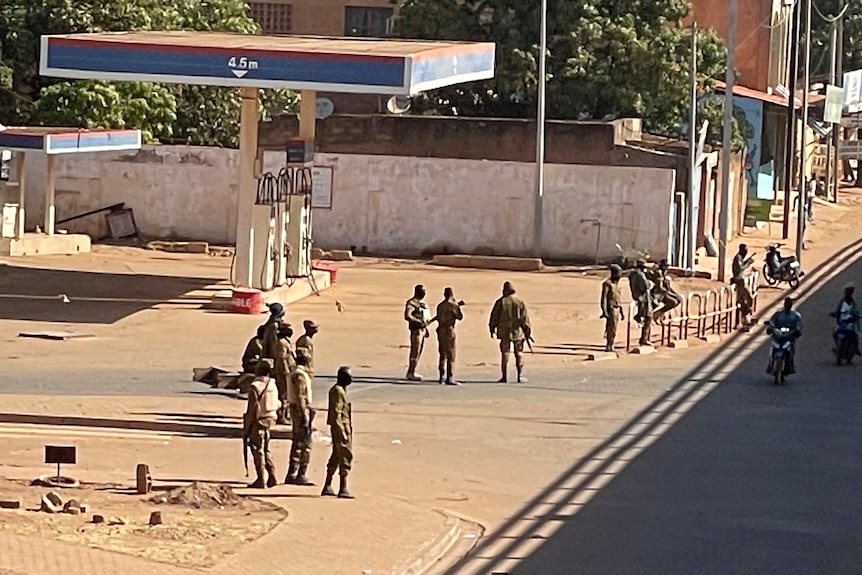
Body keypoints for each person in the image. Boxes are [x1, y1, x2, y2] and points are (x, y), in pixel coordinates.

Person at [243, 360, 280, 489]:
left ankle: (261, 479)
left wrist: (247, 427)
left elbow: (252, 409)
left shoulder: (255, 386)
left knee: (257, 449)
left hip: (258, 421)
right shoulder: (273, 384)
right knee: (266, 449)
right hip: (270, 419)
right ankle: (272, 475)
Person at [321, 366, 354, 499]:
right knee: (345, 455)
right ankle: (343, 487)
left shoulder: (340, 390)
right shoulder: (338, 391)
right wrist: (342, 432)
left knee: (336, 455)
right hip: (341, 429)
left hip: (343, 427)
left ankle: (328, 485)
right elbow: (336, 414)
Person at [489, 281, 531, 383]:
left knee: (505, 354)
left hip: (504, 332)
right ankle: (519, 376)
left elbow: (494, 317)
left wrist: (492, 329)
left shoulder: (500, 302)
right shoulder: (520, 302)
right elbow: (525, 319)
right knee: (519, 354)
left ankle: (504, 377)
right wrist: (528, 332)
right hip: (518, 333)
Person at [285, 353, 315, 485]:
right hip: (300, 410)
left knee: (298, 441)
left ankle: (293, 472)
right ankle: (299, 473)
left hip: (297, 409)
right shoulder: (300, 376)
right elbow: (300, 397)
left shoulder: (294, 373)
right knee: (304, 442)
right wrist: (304, 415)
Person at [435, 287, 464, 385]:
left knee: (442, 354)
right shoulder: (453, 305)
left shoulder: (440, 306)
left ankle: (441, 376)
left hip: (440, 330)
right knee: (451, 354)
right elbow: (460, 317)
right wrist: (457, 306)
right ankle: (450, 377)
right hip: (449, 330)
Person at [767, 297, 802, 374]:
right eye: (786, 304)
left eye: (789, 304)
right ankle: (770, 364)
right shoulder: (778, 314)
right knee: (773, 348)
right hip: (778, 337)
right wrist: (770, 328)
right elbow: (772, 322)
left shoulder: (795, 316)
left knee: (791, 350)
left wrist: (797, 331)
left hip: (789, 337)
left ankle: (790, 365)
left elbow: (798, 325)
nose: (787, 305)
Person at [404, 284, 431, 381]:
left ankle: (413, 370)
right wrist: (418, 321)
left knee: (419, 351)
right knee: (415, 351)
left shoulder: (422, 304)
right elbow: (407, 316)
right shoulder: (411, 303)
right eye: (423, 291)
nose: (424, 293)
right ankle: (410, 372)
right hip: (416, 330)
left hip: (422, 330)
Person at [273, 323, 297, 425]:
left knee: (287, 395)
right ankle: (281, 416)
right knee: (283, 395)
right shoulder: (282, 343)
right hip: (283, 372)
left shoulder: (286, 341)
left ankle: (285, 415)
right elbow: (282, 359)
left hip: (288, 370)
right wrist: (286, 372)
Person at [628, 259, 654, 346]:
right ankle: (644, 339)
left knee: (646, 316)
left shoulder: (632, 274)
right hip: (643, 298)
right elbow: (646, 286)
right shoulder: (640, 275)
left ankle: (644, 338)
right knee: (648, 317)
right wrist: (650, 282)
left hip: (638, 296)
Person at [600, 264, 625, 353]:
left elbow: (618, 298)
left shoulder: (617, 284)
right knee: (611, 327)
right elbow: (604, 298)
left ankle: (612, 343)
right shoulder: (607, 283)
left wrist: (622, 311)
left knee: (615, 327)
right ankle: (609, 344)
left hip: (617, 307)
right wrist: (604, 311)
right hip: (611, 308)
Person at [831, 285, 860, 355]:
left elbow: (856, 311)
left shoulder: (853, 303)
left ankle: (856, 349)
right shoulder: (842, 302)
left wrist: (856, 316)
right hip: (842, 322)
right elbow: (837, 309)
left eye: (849, 293)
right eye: (846, 293)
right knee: (835, 333)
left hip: (850, 323)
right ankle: (839, 346)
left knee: (855, 337)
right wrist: (834, 313)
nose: (847, 295)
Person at [732, 244, 755, 326]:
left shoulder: (740, 258)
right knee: (749, 296)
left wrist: (748, 261)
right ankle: (748, 312)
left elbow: (742, 265)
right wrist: (748, 263)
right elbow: (740, 268)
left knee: (742, 302)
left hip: (741, 280)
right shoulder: (737, 257)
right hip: (739, 280)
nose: (746, 252)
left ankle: (745, 318)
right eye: (745, 251)